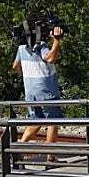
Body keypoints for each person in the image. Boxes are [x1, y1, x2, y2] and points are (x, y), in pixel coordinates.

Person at [12, 21, 64, 159]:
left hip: (31, 91)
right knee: (53, 122)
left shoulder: (22, 48)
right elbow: (50, 58)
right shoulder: (41, 46)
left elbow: (15, 66)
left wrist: (28, 76)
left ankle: (19, 150)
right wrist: (57, 41)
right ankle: (50, 157)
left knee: (35, 121)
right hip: (47, 90)